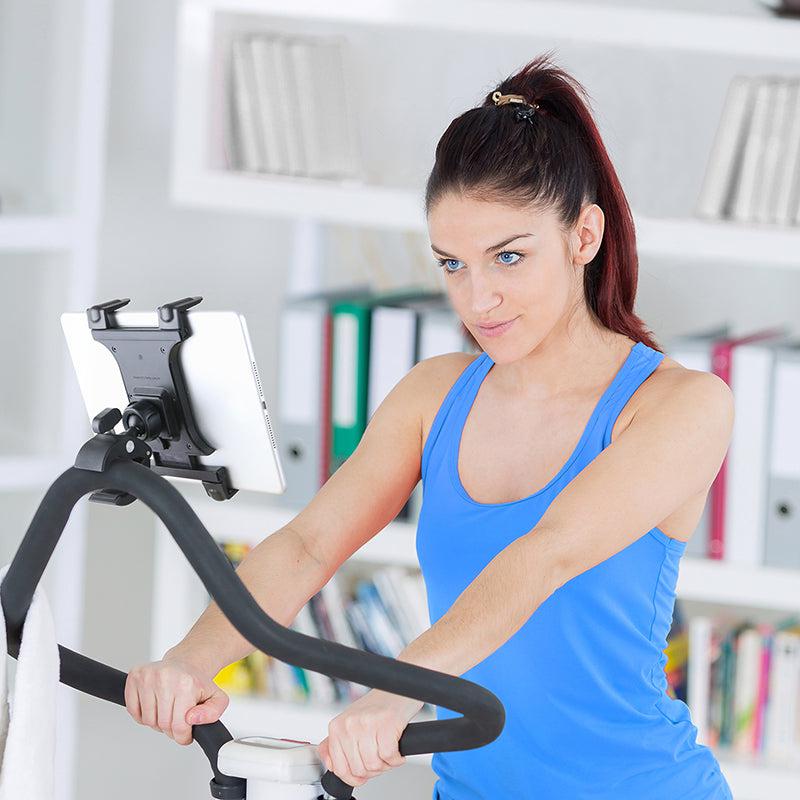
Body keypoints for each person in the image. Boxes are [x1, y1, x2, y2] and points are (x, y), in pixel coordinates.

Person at [125, 51, 735, 799]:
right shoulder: (435, 394)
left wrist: (396, 691)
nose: (478, 299)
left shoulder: (681, 405)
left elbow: (544, 556)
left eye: (508, 257)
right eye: (453, 265)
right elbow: (310, 545)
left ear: (584, 236)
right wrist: (193, 659)